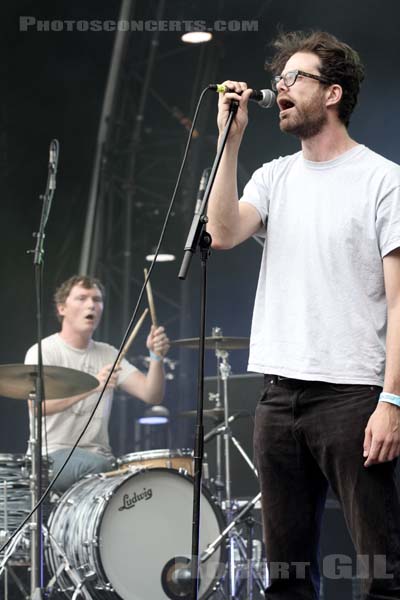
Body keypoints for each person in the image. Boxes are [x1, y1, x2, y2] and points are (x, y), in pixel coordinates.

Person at [207, 30, 400, 599]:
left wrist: (393, 400)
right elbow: (220, 233)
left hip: (353, 394)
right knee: (286, 579)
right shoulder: (273, 176)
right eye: (278, 79)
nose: (280, 88)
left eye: (295, 77)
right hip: (278, 396)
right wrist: (229, 141)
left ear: (333, 93)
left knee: (383, 574)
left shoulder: (383, 180)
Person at [25, 274, 170, 493]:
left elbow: (152, 394)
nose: (91, 304)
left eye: (97, 299)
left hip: (100, 456)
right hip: (50, 456)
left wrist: (156, 357)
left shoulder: (108, 354)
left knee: (142, 484)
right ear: (61, 308)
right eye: (82, 298)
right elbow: (38, 407)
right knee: (102, 469)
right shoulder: (44, 351)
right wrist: (93, 387)